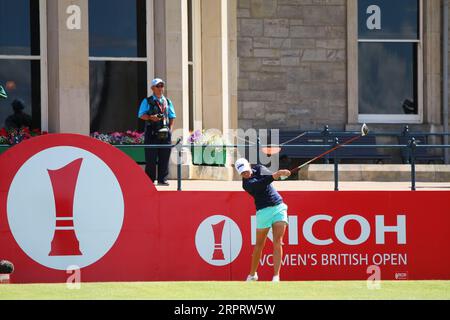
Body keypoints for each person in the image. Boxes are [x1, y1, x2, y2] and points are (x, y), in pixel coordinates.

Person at [235, 158, 291, 282]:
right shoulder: (246, 184)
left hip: (278, 207)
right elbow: (260, 184)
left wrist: (282, 174)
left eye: (246, 170)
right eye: (242, 173)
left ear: (249, 166)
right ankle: (252, 274)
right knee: (259, 245)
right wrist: (275, 175)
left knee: (278, 241)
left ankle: (276, 276)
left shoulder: (260, 168)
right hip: (263, 212)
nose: (245, 174)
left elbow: (271, 176)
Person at [138, 78, 176, 186]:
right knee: (151, 157)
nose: (160, 88)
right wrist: (151, 117)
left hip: (165, 133)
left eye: (161, 86)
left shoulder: (167, 101)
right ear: (152, 88)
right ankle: (149, 181)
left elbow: (172, 116)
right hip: (152, 132)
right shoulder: (147, 101)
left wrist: (170, 130)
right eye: (157, 86)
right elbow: (141, 114)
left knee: (165, 157)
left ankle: (162, 179)